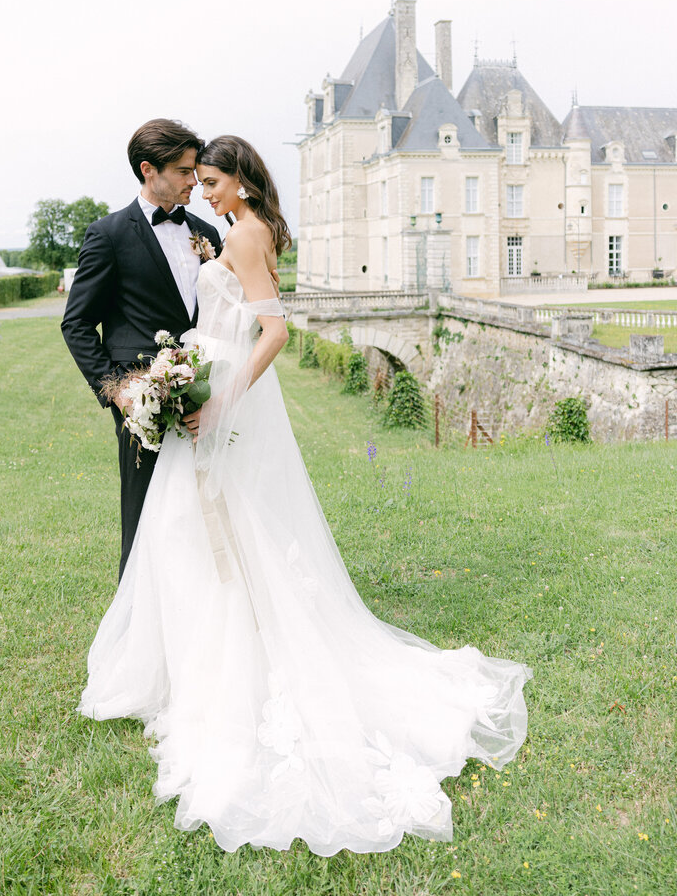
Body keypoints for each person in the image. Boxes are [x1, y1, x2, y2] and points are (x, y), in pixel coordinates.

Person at [78, 135, 531, 854]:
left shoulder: (244, 230)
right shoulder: (226, 233)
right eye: (195, 179)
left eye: (214, 181)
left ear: (242, 184)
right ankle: (186, 664)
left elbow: (276, 328)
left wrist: (221, 393)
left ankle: (224, 676)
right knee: (190, 533)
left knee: (221, 532)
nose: (205, 192)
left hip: (228, 399)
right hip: (206, 389)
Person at [61, 119, 222, 581]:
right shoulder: (107, 235)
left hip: (205, 396)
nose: (195, 180)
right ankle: (136, 622)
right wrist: (119, 390)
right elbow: (76, 323)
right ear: (149, 170)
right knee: (146, 511)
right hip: (143, 401)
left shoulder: (206, 231)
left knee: (204, 506)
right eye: (185, 171)